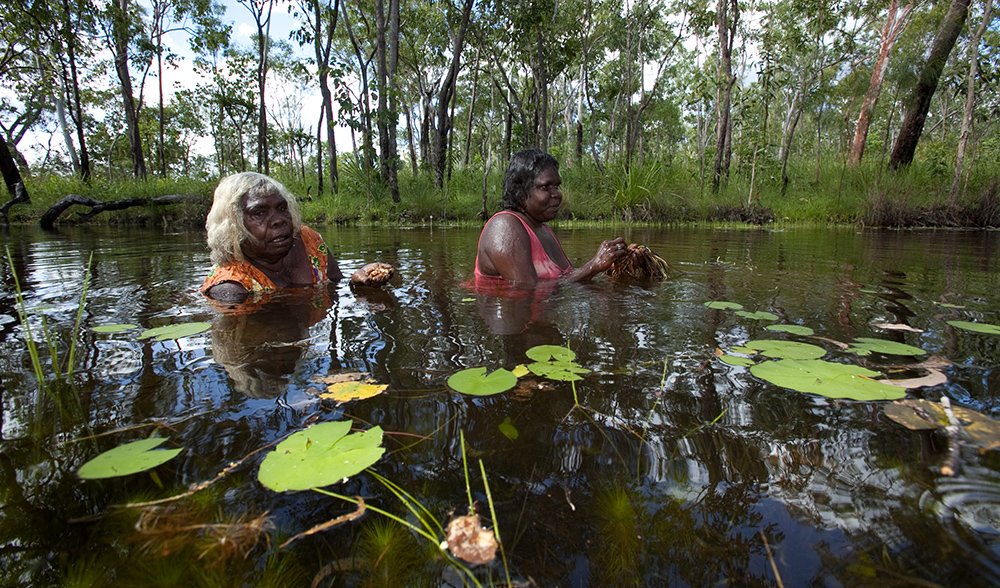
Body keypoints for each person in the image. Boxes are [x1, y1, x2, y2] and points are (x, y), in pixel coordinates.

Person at [201, 172, 392, 302]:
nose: (279, 220)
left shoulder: (310, 241)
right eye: (259, 212)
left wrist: (357, 281)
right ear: (233, 227)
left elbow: (336, 285)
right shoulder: (231, 288)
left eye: (282, 208)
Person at [474, 149, 627, 288]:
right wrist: (594, 266)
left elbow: (567, 276)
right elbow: (526, 291)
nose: (557, 194)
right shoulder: (504, 226)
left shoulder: (543, 229)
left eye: (557, 186)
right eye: (545, 187)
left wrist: (608, 264)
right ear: (520, 191)